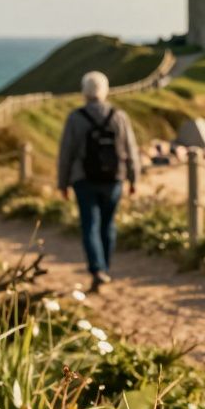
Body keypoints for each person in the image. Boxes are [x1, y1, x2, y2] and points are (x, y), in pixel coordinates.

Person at [57, 71, 140, 292]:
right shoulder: (119, 116)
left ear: (84, 91)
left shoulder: (75, 117)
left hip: (83, 180)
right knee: (108, 224)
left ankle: (97, 269)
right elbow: (131, 149)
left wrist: (62, 183)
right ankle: (105, 268)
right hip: (114, 179)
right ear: (105, 90)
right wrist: (134, 179)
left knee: (90, 225)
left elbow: (66, 153)